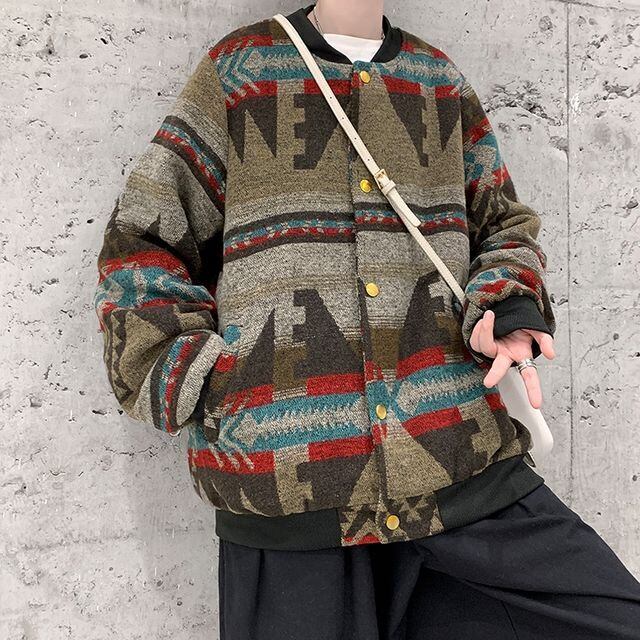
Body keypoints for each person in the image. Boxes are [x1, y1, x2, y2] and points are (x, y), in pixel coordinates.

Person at [92, 1, 640, 638]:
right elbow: (142, 239)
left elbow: (501, 224)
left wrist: (506, 304)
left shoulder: (436, 81)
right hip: (287, 494)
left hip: (458, 466)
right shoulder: (241, 72)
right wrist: (204, 379)